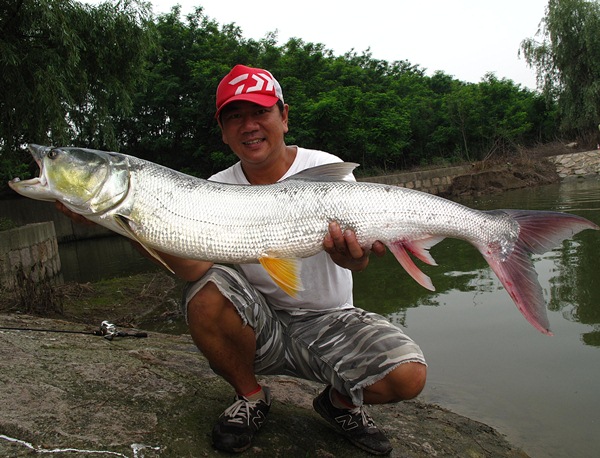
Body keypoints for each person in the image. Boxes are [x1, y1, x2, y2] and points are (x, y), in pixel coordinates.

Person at [58, 64, 427, 456]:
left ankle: (338, 405)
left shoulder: (324, 170)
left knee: (407, 376)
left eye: (260, 112)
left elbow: (358, 262)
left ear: (284, 117)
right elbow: (194, 268)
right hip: (261, 319)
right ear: (223, 131)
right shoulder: (216, 187)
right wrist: (130, 226)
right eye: (235, 117)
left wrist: (353, 260)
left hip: (329, 320)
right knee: (205, 289)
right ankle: (251, 397)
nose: (248, 126)